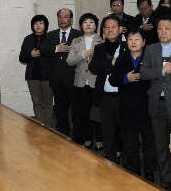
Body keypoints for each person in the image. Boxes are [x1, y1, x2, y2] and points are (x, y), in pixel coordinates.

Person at [140, 14, 171, 191]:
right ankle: (166, 179)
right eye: (160, 28)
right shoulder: (151, 49)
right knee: (160, 146)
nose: (163, 31)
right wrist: (162, 70)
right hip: (157, 104)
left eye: (167, 28)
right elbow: (143, 73)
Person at [109, 27, 157, 182]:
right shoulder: (122, 58)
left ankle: (149, 172)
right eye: (130, 39)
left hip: (146, 107)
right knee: (130, 144)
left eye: (137, 39)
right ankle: (133, 171)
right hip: (127, 107)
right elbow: (113, 80)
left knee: (149, 143)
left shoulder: (149, 57)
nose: (133, 42)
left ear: (144, 42)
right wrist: (125, 78)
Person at [40, 8, 83, 141]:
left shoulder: (78, 34)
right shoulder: (51, 35)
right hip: (57, 79)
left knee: (77, 110)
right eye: (60, 17)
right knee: (60, 110)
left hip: (74, 78)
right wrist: (56, 48)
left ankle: (78, 136)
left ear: (71, 19)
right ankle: (63, 135)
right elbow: (43, 50)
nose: (62, 19)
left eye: (65, 17)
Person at [88, 16, 125, 164]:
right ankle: (110, 162)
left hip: (123, 96)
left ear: (120, 29)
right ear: (103, 30)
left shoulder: (127, 46)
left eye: (113, 27)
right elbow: (93, 67)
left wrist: (107, 65)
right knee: (107, 131)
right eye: (107, 27)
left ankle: (128, 165)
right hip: (105, 97)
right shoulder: (99, 48)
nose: (110, 30)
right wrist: (111, 63)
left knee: (124, 131)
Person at [67, 13, 104, 150]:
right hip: (81, 82)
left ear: (96, 25)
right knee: (84, 112)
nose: (88, 24)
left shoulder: (101, 41)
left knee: (98, 111)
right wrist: (83, 55)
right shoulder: (76, 41)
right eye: (85, 22)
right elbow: (69, 61)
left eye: (91, 22)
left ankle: (100, 140)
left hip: (96, 82)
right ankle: (87, 138)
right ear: (81, 26)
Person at [19, 14, 53, 127]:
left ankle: (48, 127)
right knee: (37, 103)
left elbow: (54, 55)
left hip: (47, 75)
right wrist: (31, 54)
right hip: (32, 76)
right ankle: (40, 126)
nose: (38, 25)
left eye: (41, 23)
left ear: (45, 25)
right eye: (35, 23)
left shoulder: (50, 38)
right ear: (32, 26)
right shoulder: (28, 39)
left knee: (48, 103)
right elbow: (22, 58)